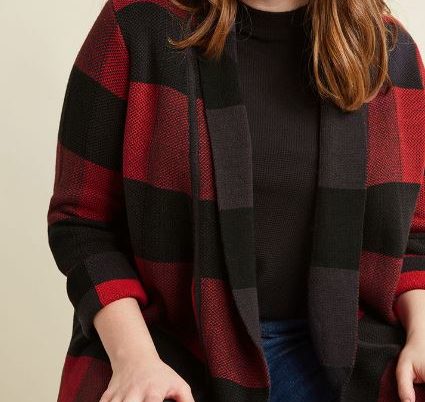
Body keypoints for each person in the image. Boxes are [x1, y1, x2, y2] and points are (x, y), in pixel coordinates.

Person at [46, 0, 425, 401]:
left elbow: (413, 238)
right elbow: (81, 223)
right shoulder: (136, 25)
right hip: (169, 346)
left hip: (351, 353)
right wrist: (136, 360)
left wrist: (421, 332)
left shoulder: (389, 51)